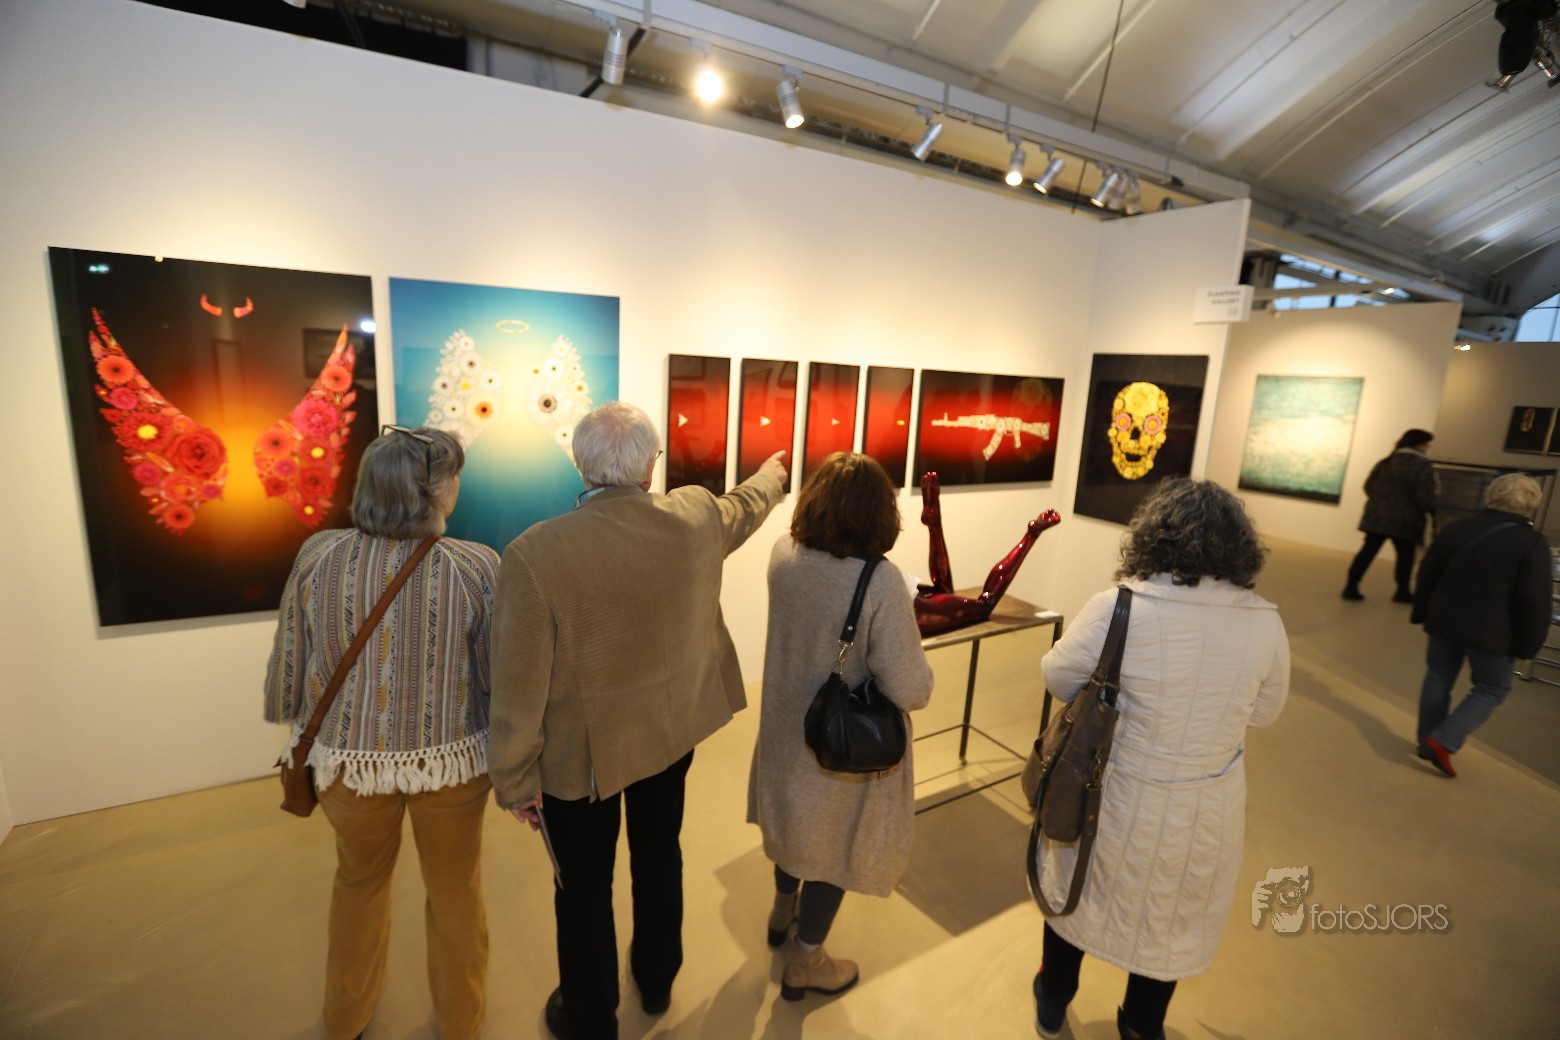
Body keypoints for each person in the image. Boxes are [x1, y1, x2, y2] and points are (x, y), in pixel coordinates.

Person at [486, 401, 787, 1040]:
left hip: (580, 764)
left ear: (580, 465)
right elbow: (746, 505)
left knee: (583, 888)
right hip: (667, 738)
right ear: (651, 467)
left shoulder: (535, 554)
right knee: (659, 855)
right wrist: (774, 475)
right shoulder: (695, 515)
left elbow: (517, 686)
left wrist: (513, 779)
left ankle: (591, 1018)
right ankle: (656, 980)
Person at [263, 425, 500, 1040]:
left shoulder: (319, 555)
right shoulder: (475, 566)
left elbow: (292, 651)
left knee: (358, 883)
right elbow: (494, 675)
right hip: (450, 762)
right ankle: (461, 1022)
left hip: (348, 762)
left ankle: (345, 1020)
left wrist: (291, 718)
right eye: (453, 475)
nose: (457, 484)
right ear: (434, 491)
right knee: (456, 892)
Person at [1032, 479, 1289, 1040]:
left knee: (1076, 893)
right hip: (1204, 806)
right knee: (1170, 921)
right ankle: (1141, 1025)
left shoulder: (1119, 607)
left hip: (1111, 794)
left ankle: (1052, 1000)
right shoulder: (1264, 621)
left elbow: (1057, 676)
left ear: (1152, 537)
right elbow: (1266, 711)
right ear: (1239, 547)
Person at [747, 452, 934, 1001]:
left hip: (785, 733)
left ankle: (782, 910)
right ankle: (807, 961)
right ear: (880, 513)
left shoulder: (783, 556)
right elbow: (911, 688)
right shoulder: (880, 581)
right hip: (838, 747)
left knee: (792, 830)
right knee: (833, 847)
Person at [1411, 473, 1552, 778]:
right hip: (1492, 633)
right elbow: (1535, 600)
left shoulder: (1457, 528)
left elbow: (1428, 573)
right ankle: (1442, 741)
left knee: (1438, 675)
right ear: (1532, 504)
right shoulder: (1531, 543)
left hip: (1445, 621)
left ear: (1491, 495)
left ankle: (1427, 738)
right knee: (1493, 687)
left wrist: (1421, 611)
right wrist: (1528, 644)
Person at [1343, 428, 1437, 602]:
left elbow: (1368, 487)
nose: (1428, 448)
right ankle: (1402, 592)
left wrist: (1381, 502)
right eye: (1427, 445)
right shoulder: (1422, 465)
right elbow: (1426, 496)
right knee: (1405, 557)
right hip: (1406, 521)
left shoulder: (1386, 461)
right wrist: (1428, 510)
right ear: (1419, 445)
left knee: (1367, 552)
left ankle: (1351, 586)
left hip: (1377, 517)